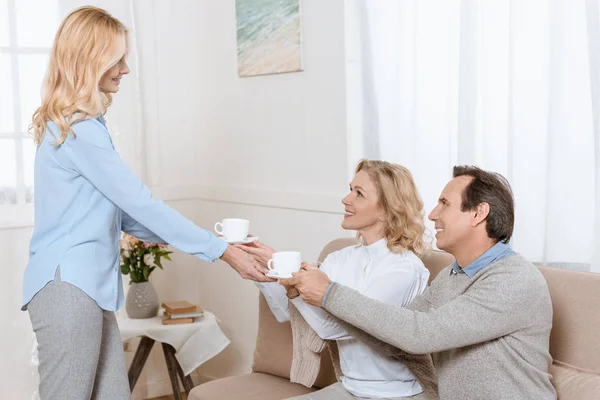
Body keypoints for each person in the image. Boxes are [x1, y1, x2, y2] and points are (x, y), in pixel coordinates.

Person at [23, 6, 272, 400]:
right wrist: (220, 250)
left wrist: (211, 242)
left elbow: (120, 214)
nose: (125, 69)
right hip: (68, 288)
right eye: (117, 59)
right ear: (91, 61)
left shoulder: (81, 125)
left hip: (85, 289)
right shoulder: (79, 130)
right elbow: (139, 202)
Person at [287, 166, 557, 400]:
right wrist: (314, 294)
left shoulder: (512, 279)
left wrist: (329, 293)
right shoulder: (453, 276)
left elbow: (422, 335)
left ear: (478, 214)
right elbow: (395, 343)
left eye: (445, 204)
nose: (432, 215)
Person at [240, 160, 433, 400]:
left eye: (359, 193)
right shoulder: (340, 259)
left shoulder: (404, 270)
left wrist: (297, 288)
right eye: (350, 189)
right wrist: (266, 274)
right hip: (351, 387)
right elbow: (288, 314)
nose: (346, 199)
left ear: (387, 208)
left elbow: (335, 328)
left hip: (397, 394)